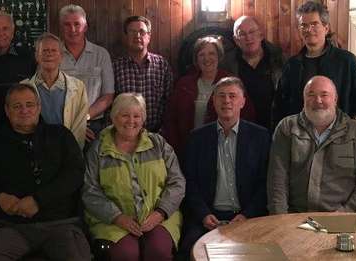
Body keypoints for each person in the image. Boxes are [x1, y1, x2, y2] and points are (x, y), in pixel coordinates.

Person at [0, 84, 90, 261]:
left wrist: (38, 200)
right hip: (13, 227)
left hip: (59, 225)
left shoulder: (60, 135)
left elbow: (75, 174)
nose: (24, 110)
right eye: (17, 106)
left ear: (39, 107)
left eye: (30, 104)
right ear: (6, 110)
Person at [83, 93, 185, 261]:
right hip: (112, 221)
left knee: (158, 251)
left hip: (158, 216)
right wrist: (118, 217)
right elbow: (89, 191)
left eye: (136, 116)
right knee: (126, 254)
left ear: (143, 119)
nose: (131, 121)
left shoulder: (158, 144)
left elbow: (177, 182)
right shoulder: (98, 149)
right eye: (125, 115)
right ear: (114, 118)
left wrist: (160, 213)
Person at [178, 77, 270, 259]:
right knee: (189, 250)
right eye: (221, 96)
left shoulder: (260, 137)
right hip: (207, 217)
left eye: (232, 96)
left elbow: (265, 183)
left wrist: (246, 215)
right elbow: (190, 182)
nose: (226, 101)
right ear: (213, 101)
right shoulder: (197, 138)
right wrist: (204, 214)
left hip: (247, 217)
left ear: (243, 101)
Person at [267, 76, 356, 214]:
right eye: (311, 95)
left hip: (344, 220)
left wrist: (344, 215)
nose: (318, 100)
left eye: (324, 95)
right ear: (304, 99)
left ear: (335, 99)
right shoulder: (287, 127)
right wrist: (280, 220)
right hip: (295, 217)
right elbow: (277, 179)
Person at [274, 1, 356, 124]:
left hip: (338, 135)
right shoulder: (292, 65)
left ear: (326, 28)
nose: (308, 29)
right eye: (304, 25)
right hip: (299, 137)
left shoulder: (346, 61)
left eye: (314, 24)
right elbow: (279, 105)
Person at [162, 36, 255, 155]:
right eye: (202, 54)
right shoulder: (184, 84)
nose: (207, 58)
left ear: (219, 57)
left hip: (223, 150)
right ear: (196, 58)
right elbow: (171, 118)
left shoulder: (232, 83)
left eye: (212, 53)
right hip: (188, 149)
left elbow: (247, 115)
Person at [58, 4, 115, 141]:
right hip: (60, 124)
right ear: (61, 28)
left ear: (85, 27)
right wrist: (71, 123)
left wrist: (82, 119)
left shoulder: (101, 54)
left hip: (94, 123)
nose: (72, 29)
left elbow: (108, 96)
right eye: (67, 24)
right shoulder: (52, 54)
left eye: (77, 24)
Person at [20, 33, 88, 148]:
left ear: (61, 56)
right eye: (45, 50)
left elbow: (79, 126)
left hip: (68, 150)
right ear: (36, 56)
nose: (49, 54)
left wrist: (71, 151)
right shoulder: (23, 87)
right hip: (35, 149)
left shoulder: (78, 86)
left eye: (53, 50)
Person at [219, 16, 283, 129]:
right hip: (239, 129)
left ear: (261, 35)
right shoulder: (227, 64)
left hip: (274, 127)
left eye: (252, 32)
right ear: (236, 40)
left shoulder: (278, 60)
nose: (248, 37)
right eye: (242, 34)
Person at [112, 16, 174, 132]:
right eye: (132, 32)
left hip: (156, 134)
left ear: (149, 37)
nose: (137, 36)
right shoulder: (115, 67)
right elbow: (111, 104)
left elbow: (170, 101)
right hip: (124, 133)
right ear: (126, 37)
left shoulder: (162, 65)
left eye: (142, 32)